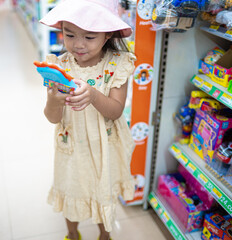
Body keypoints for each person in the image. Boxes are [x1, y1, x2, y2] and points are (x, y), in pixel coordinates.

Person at [40, 0, 136, 239]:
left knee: (103, 191)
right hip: (71, 147)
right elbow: (53, 118)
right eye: (70, 34)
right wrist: (54, 98)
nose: (78, 44)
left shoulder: (116, 65)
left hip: (106, 147)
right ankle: (72, 234)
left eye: (89, 37)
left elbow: (115, 111)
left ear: (107, 35)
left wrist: (93, 95)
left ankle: (104, 235)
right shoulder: (58, 66)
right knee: (70, 189)